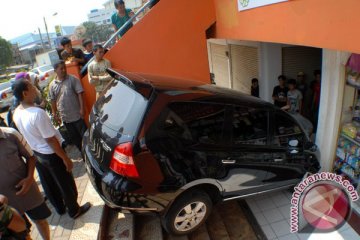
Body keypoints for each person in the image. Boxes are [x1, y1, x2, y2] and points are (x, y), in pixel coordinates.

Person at [12, 78, 91, 220]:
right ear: (25, 93)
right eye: (31, 86)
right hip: (51, 153)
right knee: (65, 183)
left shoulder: (16, 112)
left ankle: (59, 208)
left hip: (37, 153)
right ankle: (74, 210)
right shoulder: (37, 114)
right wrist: (65, 158)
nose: (35, 88)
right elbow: (50, 140)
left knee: (49, 183)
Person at [0, 127, 51, 240]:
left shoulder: (11, 134)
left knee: (41, 220)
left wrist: (29, 179)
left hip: (28, 191)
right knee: (21, 232)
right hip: (5, 203)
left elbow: (31, 156)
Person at [49, 60, 87, 152]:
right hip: (66, 119)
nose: (63, 70)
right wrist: (55, 114)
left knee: (86, 137)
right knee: (76, 140)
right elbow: (52, 101)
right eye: (61, 69)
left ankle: (91, 153)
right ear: (55, 70)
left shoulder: (72, 79)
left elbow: (80, 94)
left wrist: (82, 109)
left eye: (64, 68)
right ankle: (83, 154)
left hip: (77, 116)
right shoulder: (52, 85)